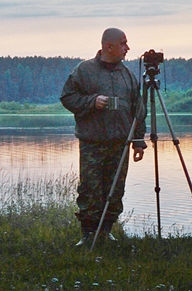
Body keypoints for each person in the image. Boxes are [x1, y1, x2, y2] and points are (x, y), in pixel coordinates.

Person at [60, 28, 147, 245]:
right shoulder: (84, 70)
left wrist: (138, 141)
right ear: (109, 46)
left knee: (115, 189)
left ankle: (106, 230)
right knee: (90, 189)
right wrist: (92, 102)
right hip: (93, 142)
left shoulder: (127, 75)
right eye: (123, 43)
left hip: (121, 143)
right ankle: (88, 234)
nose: (128, 48)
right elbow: (67, 97)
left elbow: (138, 110)